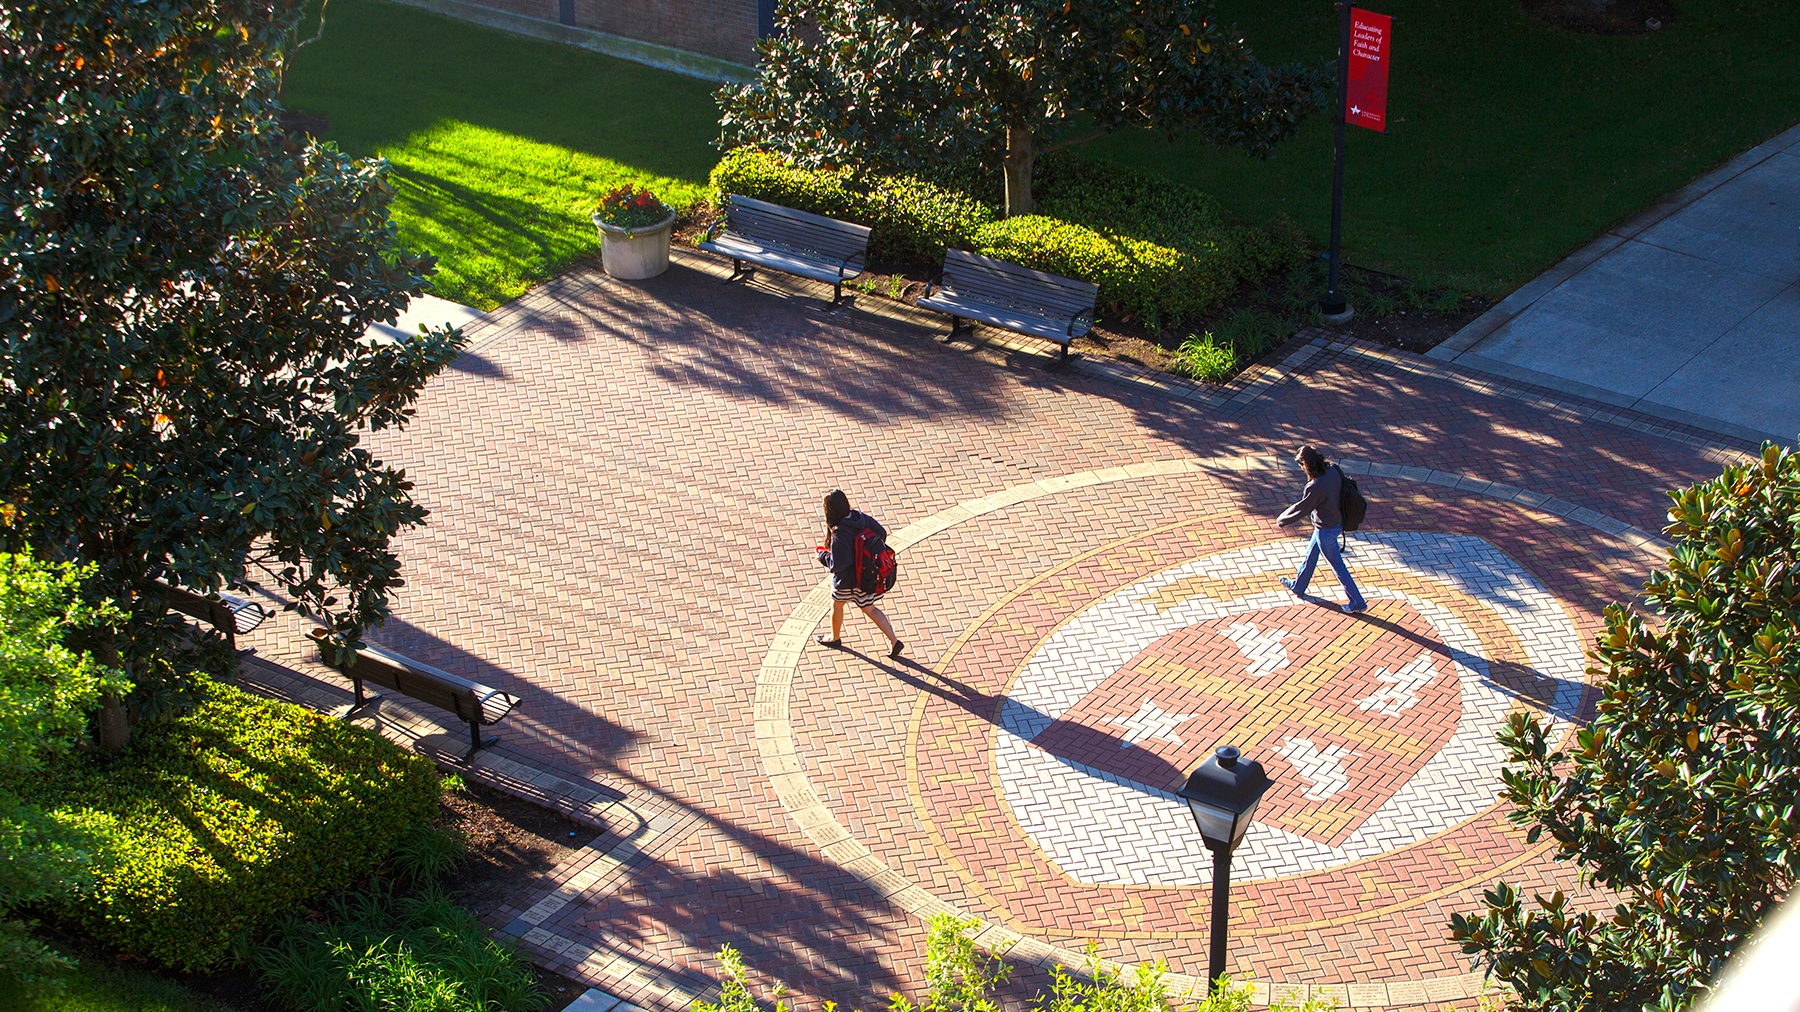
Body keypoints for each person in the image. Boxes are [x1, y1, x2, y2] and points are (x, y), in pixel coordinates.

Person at [1276, 445, 1369, 615]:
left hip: (1325, 530)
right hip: (1335, 523)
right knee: (1311, 555)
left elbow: (1302, 508)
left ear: (1306, 465)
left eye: (1301, 466)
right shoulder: (1333, 470)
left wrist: (1282, 519)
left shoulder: (1315, 486)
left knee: (1338, 566)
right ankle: (1298, 586)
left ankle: (1357, 601)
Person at [815, 489, 904, 658]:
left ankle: (834, 637)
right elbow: (882, 533)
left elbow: (838, 565)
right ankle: (894, 640)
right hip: (865, 578)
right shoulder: (859, 518)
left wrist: (823, 557)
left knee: (837, 604)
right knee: (870, 608)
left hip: (847, 582)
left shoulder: (839, 532)